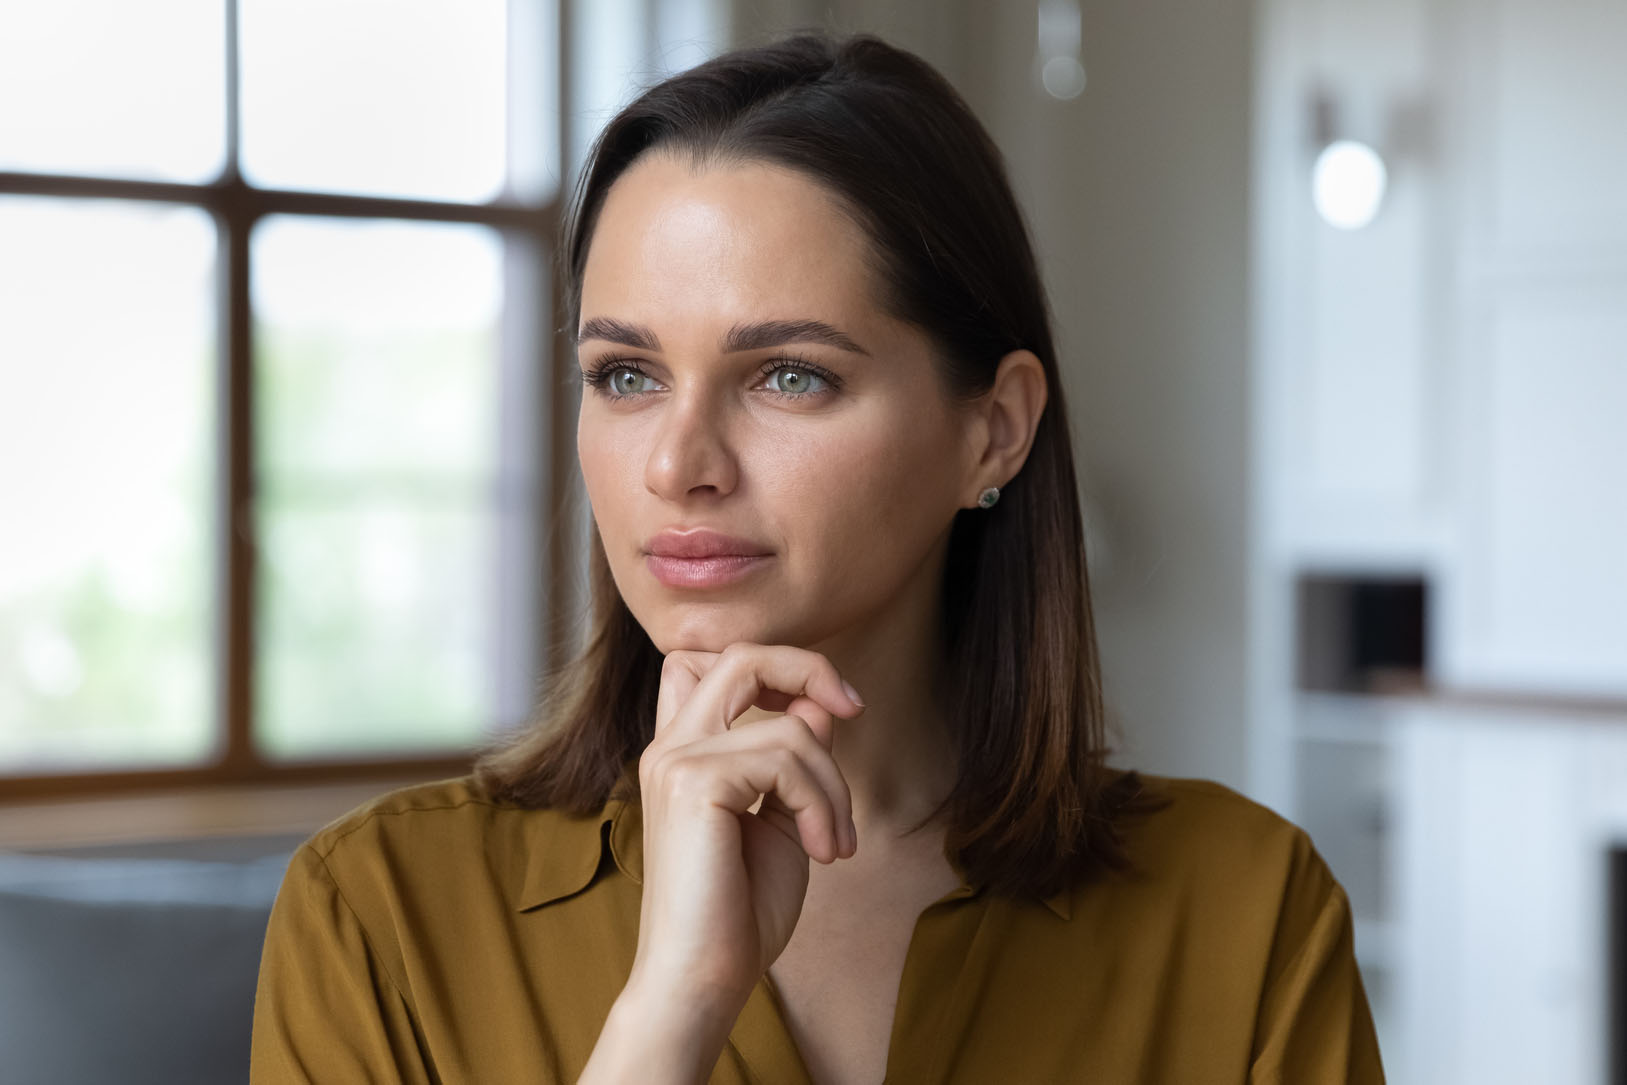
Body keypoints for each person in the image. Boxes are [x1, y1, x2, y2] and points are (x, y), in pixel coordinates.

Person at [251, 32, 1384, 1084]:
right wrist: (672, 1008)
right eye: (625, 376)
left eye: (788, 374)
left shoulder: (1246, 913)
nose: (677, 463)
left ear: (993, 428)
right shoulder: (376, 917)